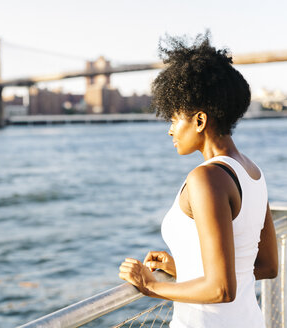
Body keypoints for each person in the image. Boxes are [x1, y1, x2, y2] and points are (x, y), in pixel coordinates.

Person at [118, 32, 278, 327]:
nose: (170, 130)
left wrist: (149, 285)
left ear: (200, 121)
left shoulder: (206, 178)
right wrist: (185, 269)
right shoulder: (252, 172)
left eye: (174, 118)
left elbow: (221, 289)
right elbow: (266, 266)